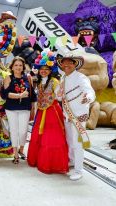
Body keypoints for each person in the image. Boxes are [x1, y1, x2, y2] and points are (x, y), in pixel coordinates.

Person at [27, 50, 69, 174]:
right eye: (41, 69)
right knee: (39, 136)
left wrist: (60, 94)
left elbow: (60, 97)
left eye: (46, 69)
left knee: (51, 138)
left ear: (51, 70)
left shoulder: (55, 82)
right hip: (41, 112)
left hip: (52, 112)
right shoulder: (40, 82)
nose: (43, 71)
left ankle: (51, 163)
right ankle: (38, 160)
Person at [56, 53, 95, 181]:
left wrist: (88, 98)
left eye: (69, 62)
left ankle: (79, 170)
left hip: (78, 116)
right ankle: (72, 162)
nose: (66, 65)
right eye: (64, 62)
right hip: (67, 115)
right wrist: (58, 94)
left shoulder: (81, 77)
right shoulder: (62, 78)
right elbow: (58, 96)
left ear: (74, 64)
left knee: (78, 144)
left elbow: (90, 91)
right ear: (61, 65)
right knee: (70, 141)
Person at [3, 56, 37, 164]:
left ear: (23, 67)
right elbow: (5, 94)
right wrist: (20, 95)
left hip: (25, 108)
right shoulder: (8, 78)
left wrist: (33, 109)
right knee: (14, 130)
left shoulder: (28, 77)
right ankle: (15, 153)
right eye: (16, 65)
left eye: (20, 65)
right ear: (12, 67)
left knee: (23, 131)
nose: (18, 67)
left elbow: (32, 95)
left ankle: (22, 149)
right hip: (11, 108)